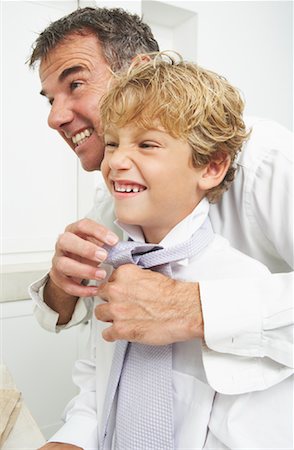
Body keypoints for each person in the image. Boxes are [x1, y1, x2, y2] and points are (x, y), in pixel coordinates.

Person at [28, 2, 292, 411]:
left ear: (142, 71)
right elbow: (88, 341)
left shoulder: (269, 160)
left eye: (75, 84)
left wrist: (195, 308)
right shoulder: (116, 199)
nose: (55, 118)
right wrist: (61, 286)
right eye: (50, 100)